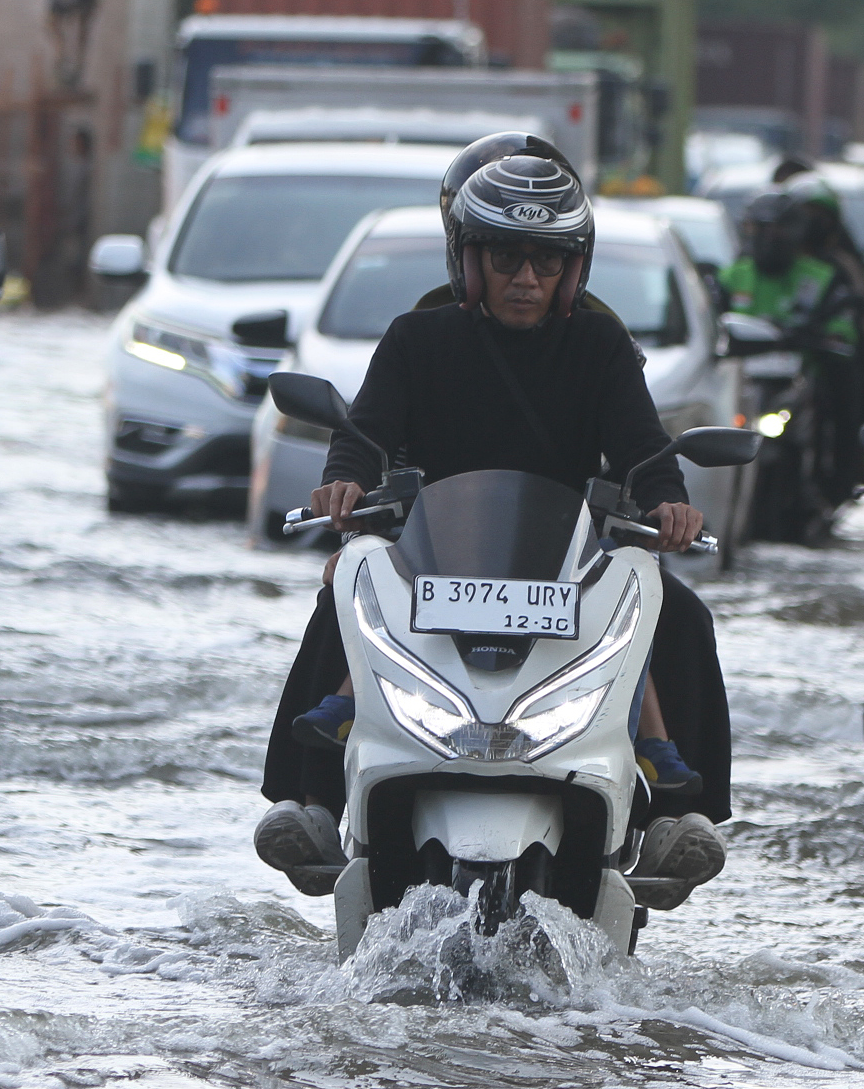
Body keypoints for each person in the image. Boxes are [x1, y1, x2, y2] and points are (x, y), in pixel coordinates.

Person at [253, 142, 732, 909]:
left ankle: (680, 814)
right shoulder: (417, 339)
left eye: (545, 263)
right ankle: (310, 803)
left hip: (565, 560)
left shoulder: (602, 346)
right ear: (467, 261)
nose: (526, 279)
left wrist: (668, 504)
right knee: (339, 596)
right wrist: (341, 483)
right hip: (432, 557)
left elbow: (645, 451)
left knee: (679, 613)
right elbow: (363, 435)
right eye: (506, 259)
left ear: (573, 269)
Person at [723, 186, 861, 534]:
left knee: (842, 410)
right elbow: (713, 320)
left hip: (803, 380)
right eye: (762, 229)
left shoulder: (822, 277)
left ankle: (831, 488)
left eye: (780, 229)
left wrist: (830, 337)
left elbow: (843, 322)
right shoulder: (732, 276)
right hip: (745, 382)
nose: (771, 238)